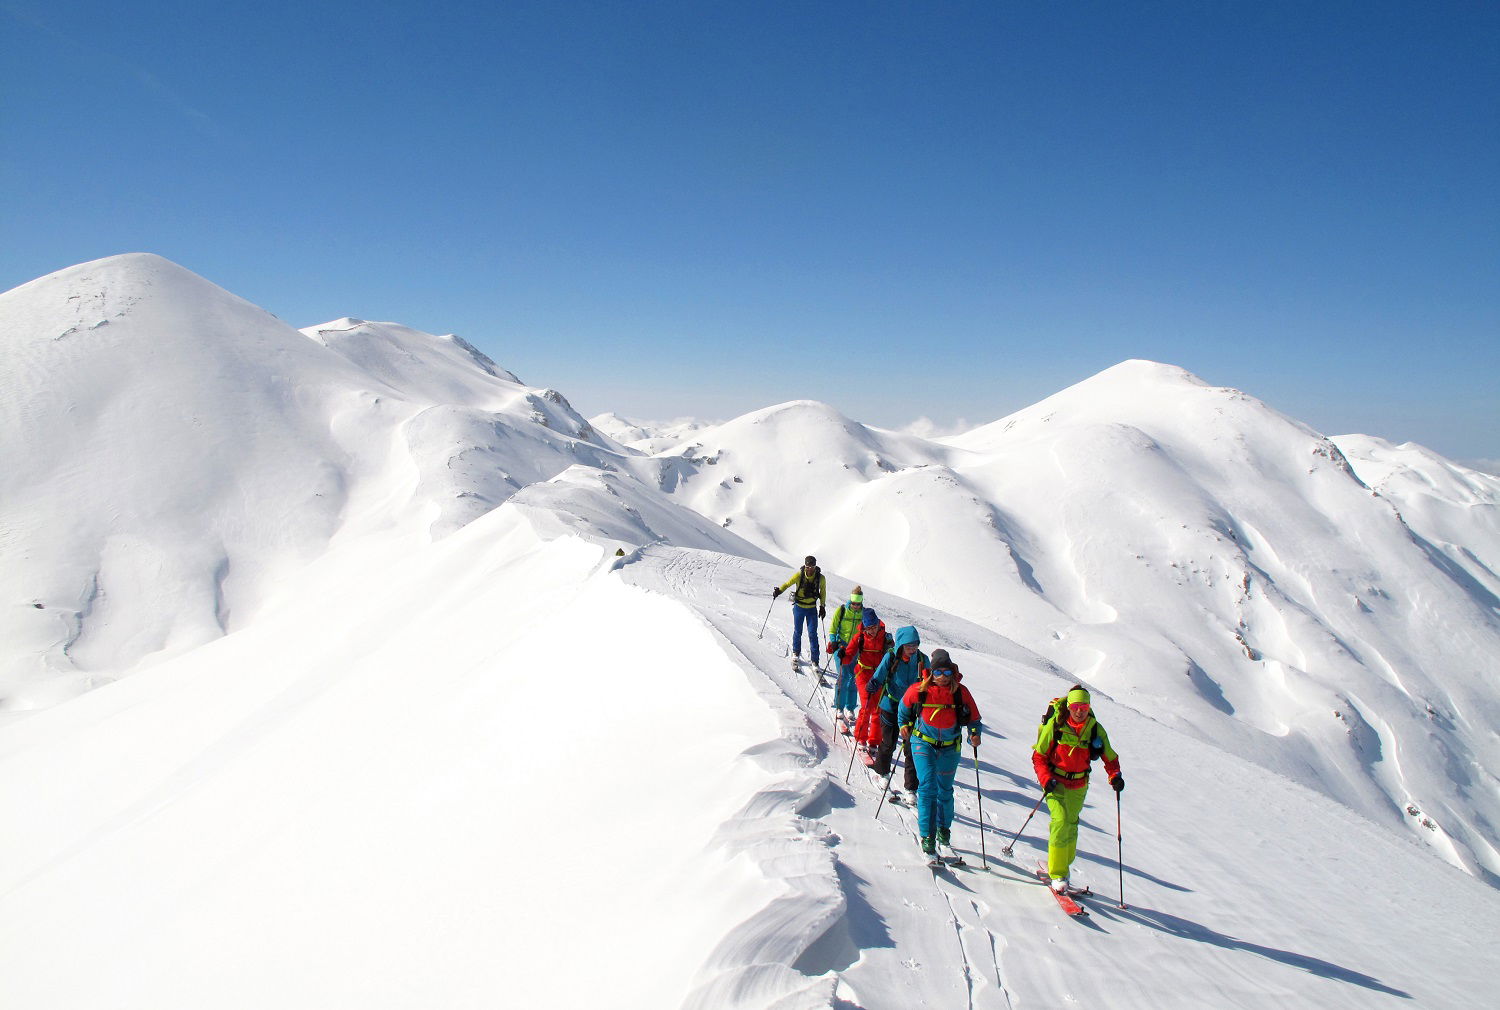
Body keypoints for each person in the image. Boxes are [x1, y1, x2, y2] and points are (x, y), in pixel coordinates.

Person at [1031, 685, 1123, 892]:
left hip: (1079, 785)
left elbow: (1110, 757)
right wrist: (1045, 779)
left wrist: (1114, 776)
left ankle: (1063, 866)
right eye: (1075, 706)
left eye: (1083, 706)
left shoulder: (1095, 729)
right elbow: (1039, 756)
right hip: (1056, 783)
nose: (1079, 711)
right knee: (1060, 822)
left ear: (1088, 707)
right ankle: (1058, 873)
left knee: (1071, 826)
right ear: (1069, 707)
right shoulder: (1056, 725)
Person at [897, 652, 982, 856]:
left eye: (946, 672)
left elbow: (974, 718)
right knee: (927, 788)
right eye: (937, 671)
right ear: (931, 672)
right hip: (923, 743)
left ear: (952, 672)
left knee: (945, 790)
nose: (942, 676)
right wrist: (903, 726)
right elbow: (903, 709)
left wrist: (974, 734)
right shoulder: (918, 690)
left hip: (950, 747)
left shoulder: (961, 692)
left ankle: (944, 830)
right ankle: (927, 836)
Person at [869, 629, 928, 802]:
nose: (913, 648)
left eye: (915, 645)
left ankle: (911, 788)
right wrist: (873, 683)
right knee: (888, 742)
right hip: (891, 703)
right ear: (901, 644)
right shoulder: (891, 657)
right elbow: (879, 674)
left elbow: (929, 680)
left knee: (911, 748)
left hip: (912, 708)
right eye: (909, 645)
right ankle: (882, 773)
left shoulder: (922, 660)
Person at [841, 608, 891, 757]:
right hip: (863, 674)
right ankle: (861, 739)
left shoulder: (886, 638)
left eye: (874, 627)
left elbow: (892, 655)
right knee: (867, 706)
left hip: (880, 675)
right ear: (864, 626)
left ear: (878, 624)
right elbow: (848, 656)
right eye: (869, 628)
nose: (872, 631)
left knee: (878, 709)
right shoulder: (859, 637)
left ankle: (874, 741)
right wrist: (842, 654)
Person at [825, 586, 866, 733]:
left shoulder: (863, 614)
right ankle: (839, 707)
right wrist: (834, 641)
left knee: (853, 678)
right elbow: (833, 628)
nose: (855, 606)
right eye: (854, 603)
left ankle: (850, 708)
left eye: (858, 604)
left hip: (855, 649)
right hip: (842, 647)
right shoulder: (842, 610)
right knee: (843, 676)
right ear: (850, 600)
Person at [773, 556, 827, 668]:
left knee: (813, 634)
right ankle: (795, 653)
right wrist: (779, 591)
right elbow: (788, 583)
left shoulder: (821, 578)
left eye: (812, 567)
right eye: (808, 567)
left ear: (815, 566)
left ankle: (815, 660)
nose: (809, 569)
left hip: (812, 608)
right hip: (799, 608)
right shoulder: (799, 575)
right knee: (798, 631)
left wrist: (822, 606)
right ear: (805, 566)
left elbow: (823, 593)